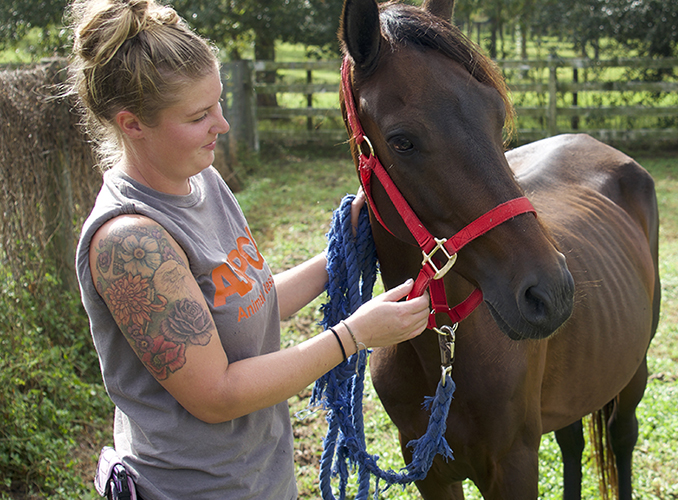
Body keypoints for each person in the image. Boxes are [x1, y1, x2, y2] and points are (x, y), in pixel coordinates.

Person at [68, 0, 430, 498]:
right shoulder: (131, 244)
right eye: (199, 115)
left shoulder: (204, 182)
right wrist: (354, 335)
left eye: (218, 103)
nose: (223, 124)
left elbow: (249, 304)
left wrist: (342, 251)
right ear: (132, 124)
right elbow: (216, 394)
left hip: (258, 474)